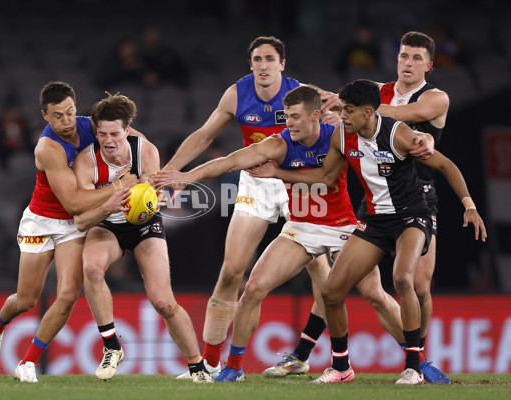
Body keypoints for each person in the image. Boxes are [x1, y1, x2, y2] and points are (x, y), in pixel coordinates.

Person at [153, 84, 426, 382]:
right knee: (253, 288)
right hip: (301, 228)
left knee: (374, 294)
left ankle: (419, 361)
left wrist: (422, 139)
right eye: (286, 116)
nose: (288, 123)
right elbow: (230, 161)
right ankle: (233, 368)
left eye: (296, 117)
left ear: (316, 116)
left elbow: (381, 128)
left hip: (343, 227)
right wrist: (187, 176)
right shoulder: (279, 144)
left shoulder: (339, 135)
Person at [251, 79, 487, 384]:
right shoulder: (341, 136)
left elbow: (446, 166)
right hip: (374, 221)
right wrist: (279, 173)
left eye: (347, 110)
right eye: (341, 109)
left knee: (403, 279)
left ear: (368, 111)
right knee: (331, 293)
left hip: (411, 217)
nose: (341, 115)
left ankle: (413, 366)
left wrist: (468, 205)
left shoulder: (398, 133)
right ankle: (341, 368)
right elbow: (325, 175)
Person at [160, 36, 342, 379]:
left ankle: (328, 358)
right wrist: (174, 171)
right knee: (231, 272)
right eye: (257, 59)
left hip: (296, 184)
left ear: (282, 64)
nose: (263, 65)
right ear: (250, 64)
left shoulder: (299, 92)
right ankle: (211, 365)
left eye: (270, 59)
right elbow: (204, 136)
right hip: (255, 184)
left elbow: (333, 119)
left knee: (320, 271)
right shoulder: (236, 94)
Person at [0, 82, 138, 383]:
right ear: (44, 116)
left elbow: (133, 136)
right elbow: (74, 201)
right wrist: (119, 185)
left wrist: (147, 165)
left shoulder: (92, 126)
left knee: (67, 294)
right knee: (26, 299)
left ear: (75, 107)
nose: (66, 122)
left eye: (69, 112)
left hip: (73, 225)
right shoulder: (48, 147)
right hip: (41, 221)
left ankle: (27, 363)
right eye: (57, 116)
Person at [71, 93, 212, 383]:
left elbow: (157, 192)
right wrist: (110, 203)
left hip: (143, 224)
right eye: (101, 134)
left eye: (114, 134)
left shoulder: (145, 150)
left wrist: (157, 197)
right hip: (105, 221)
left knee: (163, 302)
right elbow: (81, 219)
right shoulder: (86, 162)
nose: (108, 141)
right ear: (94, 132)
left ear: (127, 131)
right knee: (92, 268)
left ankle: (198, 367)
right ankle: (111, 346)